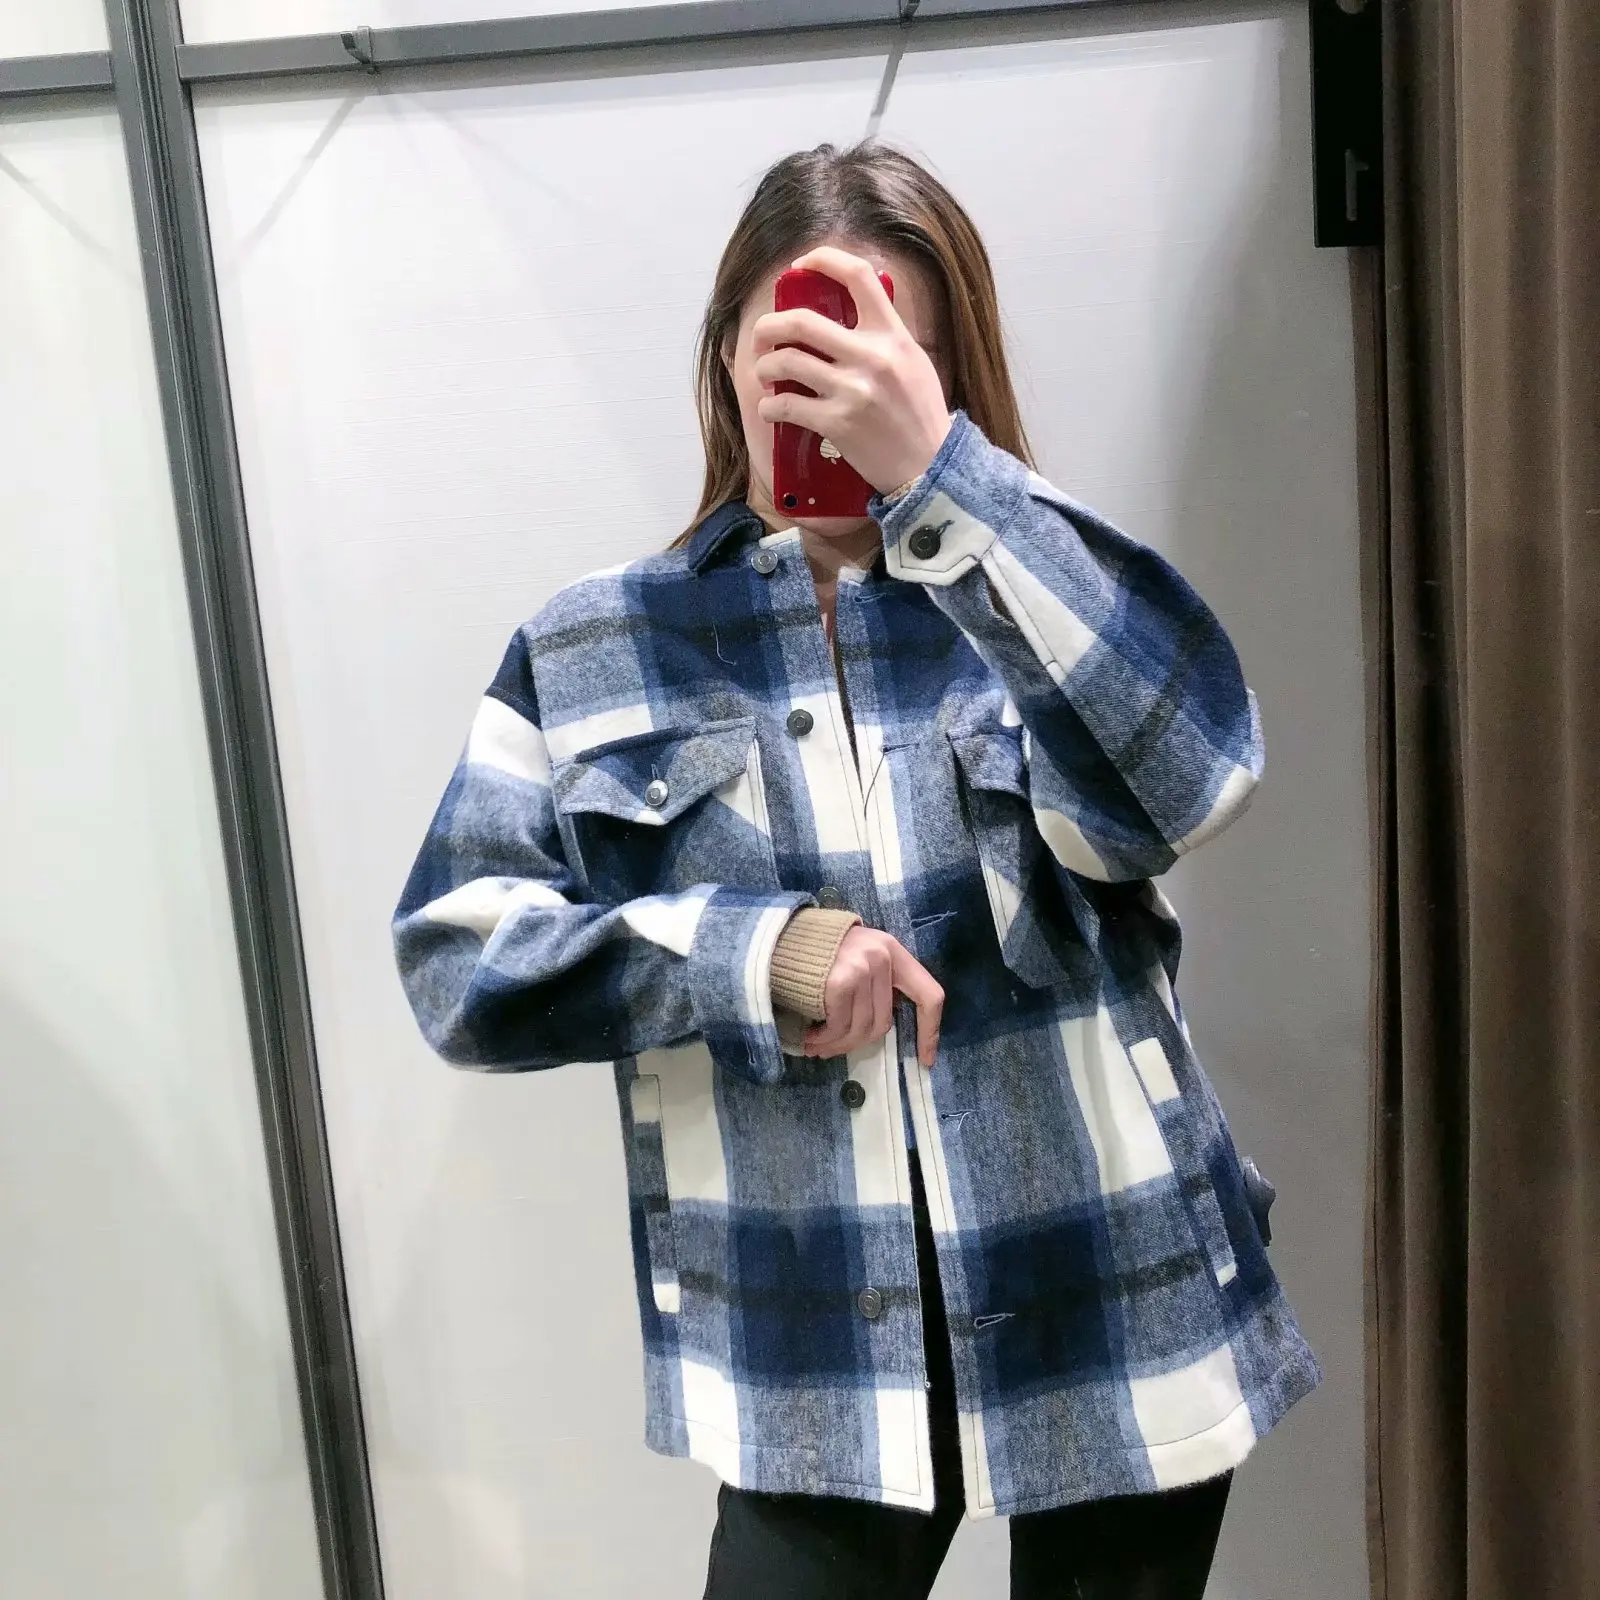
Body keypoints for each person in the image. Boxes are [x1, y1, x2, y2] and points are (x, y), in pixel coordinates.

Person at [394, 142, 1319, 1599]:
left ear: (942, 371)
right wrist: (752, 957)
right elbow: (459, 957)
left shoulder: (1037, 588)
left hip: (1115, 1290)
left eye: (881, 353)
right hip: (807, 1342)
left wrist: (948, 484)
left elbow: (1192, 783)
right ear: (726, 360)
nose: (831, 392)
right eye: (795, 352)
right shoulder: (598, 646)